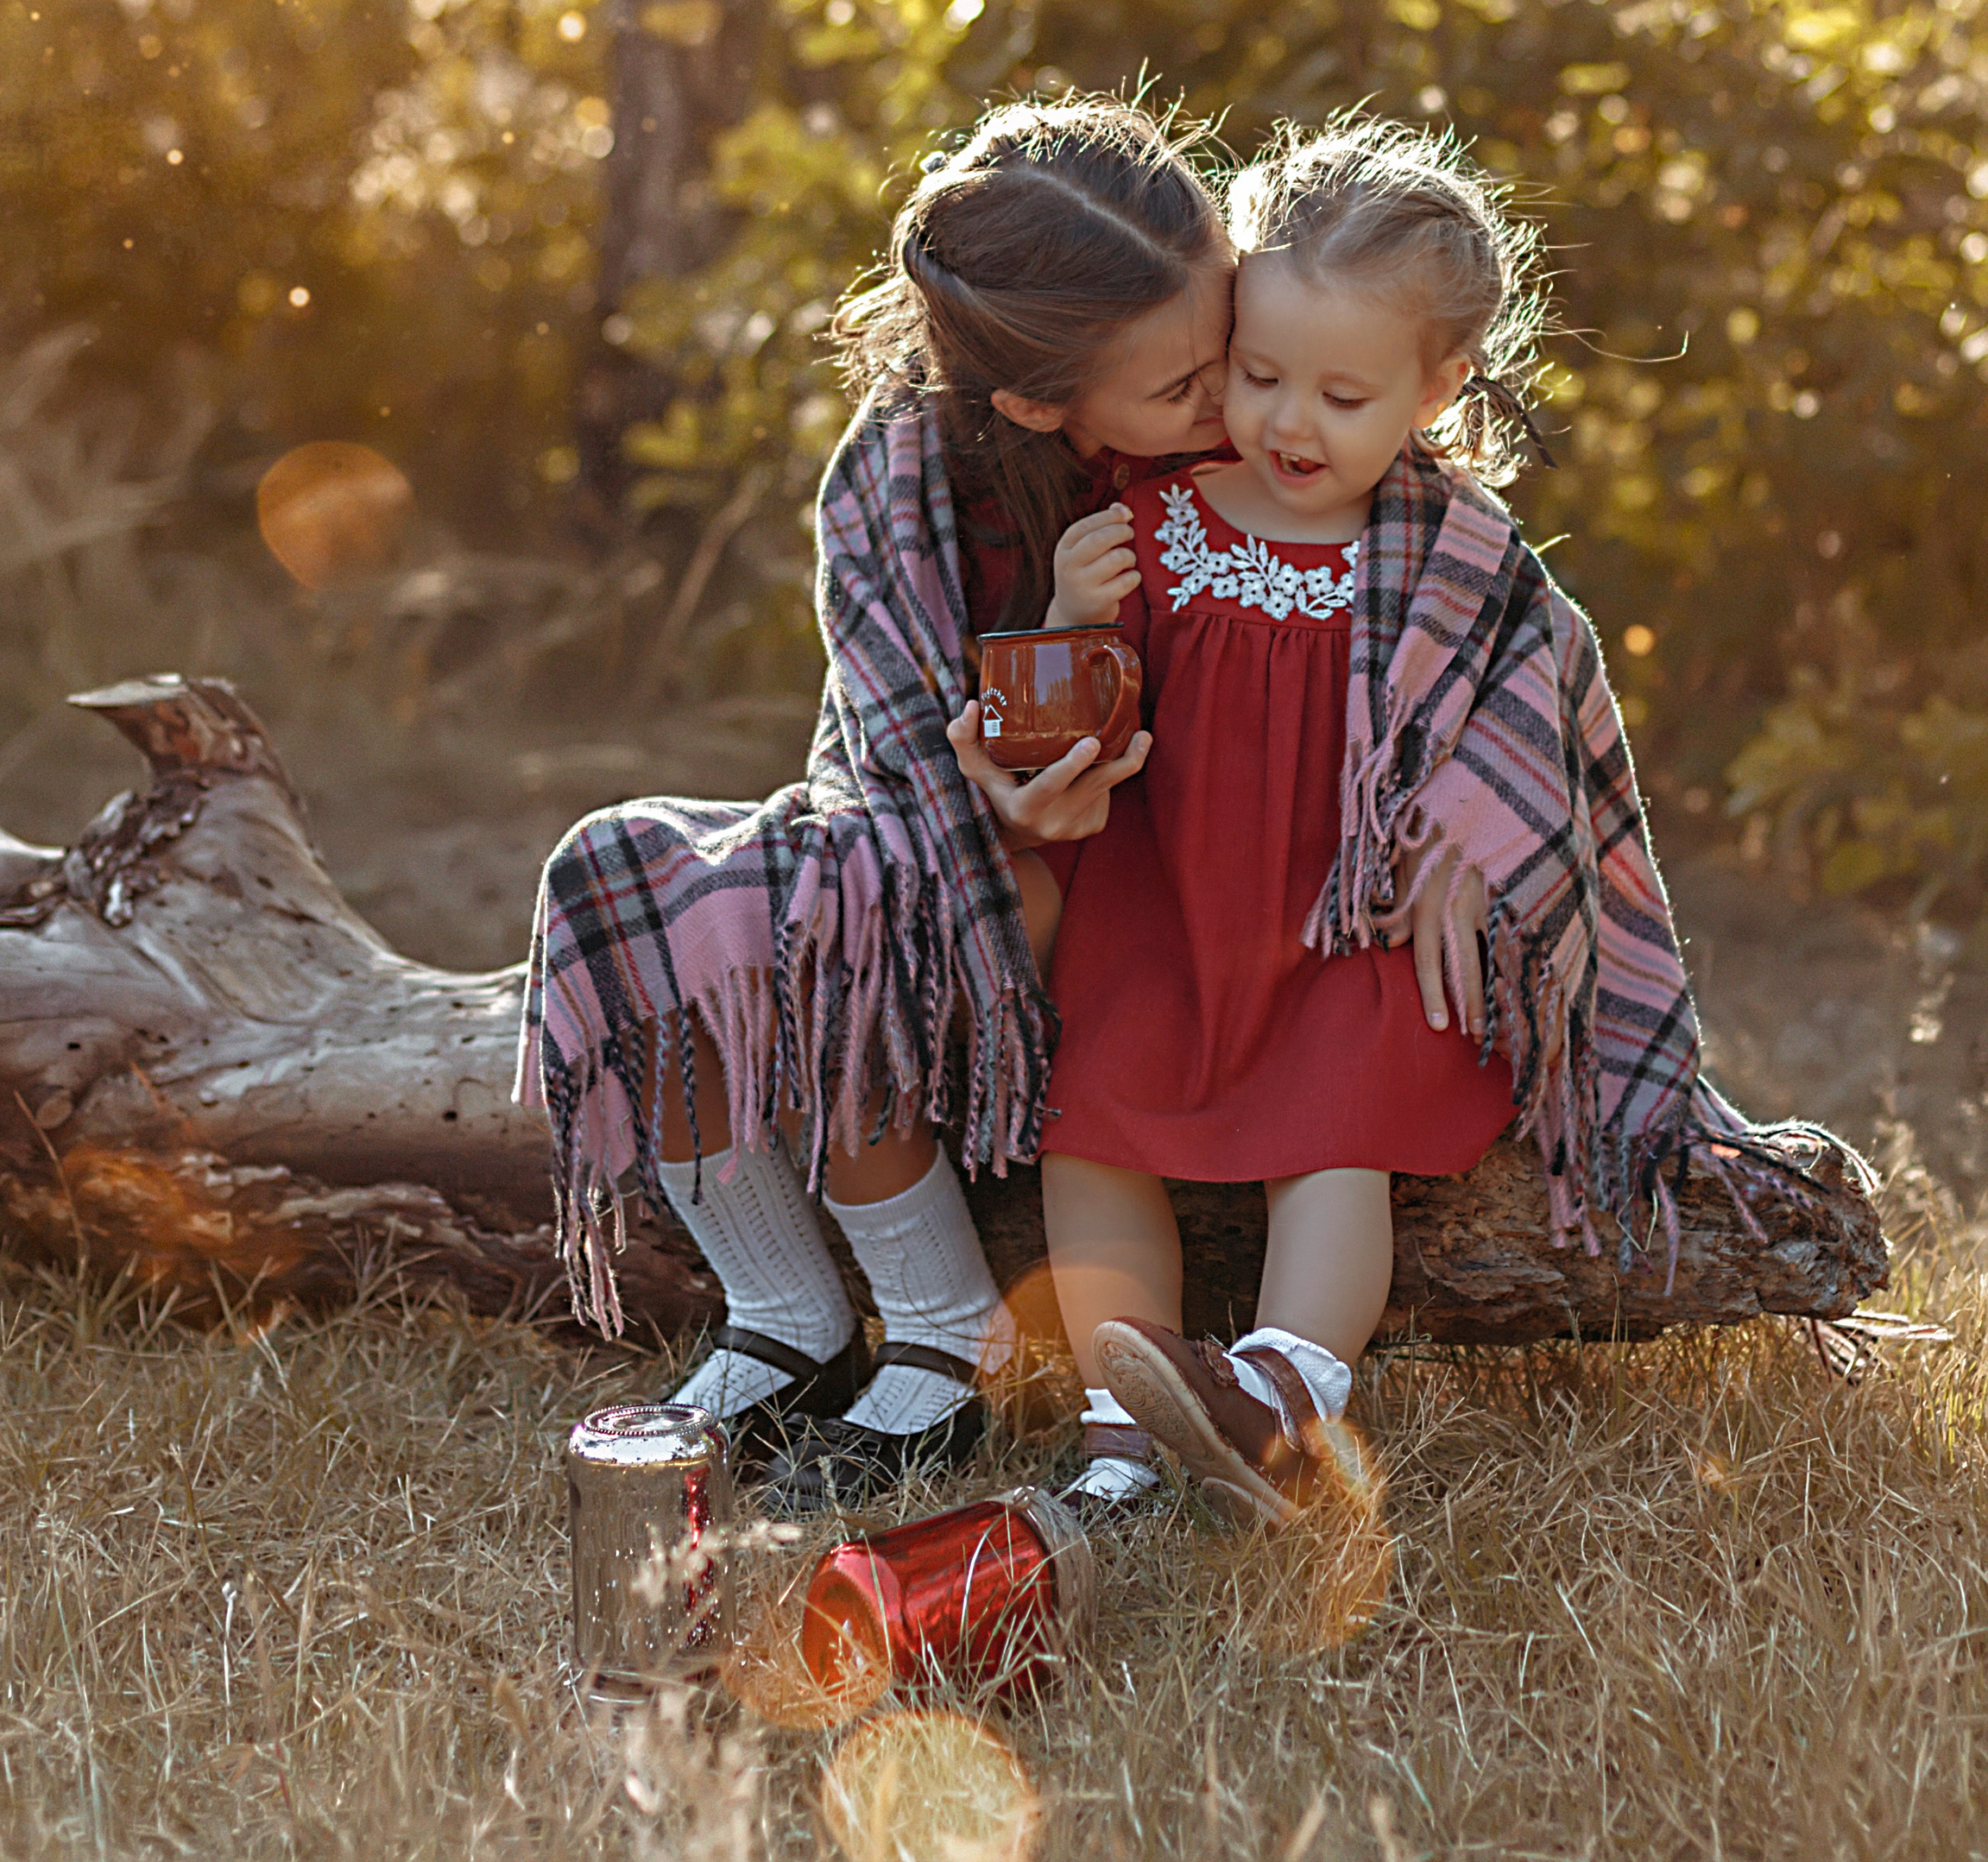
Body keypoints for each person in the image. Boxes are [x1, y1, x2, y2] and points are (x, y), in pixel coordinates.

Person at [518, 95, 1482, 1516]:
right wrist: (1002, 802)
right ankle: (787, 1310)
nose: (1240, 405)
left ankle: (1004, 1340)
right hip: (1012, 864)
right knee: (678, 896)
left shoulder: (1297, 448)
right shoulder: (906, 482)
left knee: (874, 929)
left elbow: (1475, 655)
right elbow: (898, 755)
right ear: (1040, 401)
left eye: (1237, 346)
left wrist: (1475, 825)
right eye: (1194, 385)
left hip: (1215, 884)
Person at [1011, 116, 1789, 1523]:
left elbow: (1529, 737)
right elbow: (1086, 713)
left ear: (1439, 386)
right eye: (1258, 376)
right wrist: (1073, 615)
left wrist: (1467, 851)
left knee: (1337, 1134)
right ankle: (1124, 1427)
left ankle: (1281, 1391)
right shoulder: (1153, 509)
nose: (1291, 424)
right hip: (1168, 908)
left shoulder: (1459, 559)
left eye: (1343, 396)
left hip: (1344, 924)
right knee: (1092, 1128)